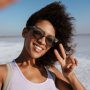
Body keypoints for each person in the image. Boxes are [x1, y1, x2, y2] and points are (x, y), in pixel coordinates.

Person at [0, 1, 85, 90]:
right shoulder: (3, 73)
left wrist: (70, 76)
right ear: (25, 32)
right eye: (37, 32)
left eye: (50, 39)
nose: (42, 41)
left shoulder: (51, 72)